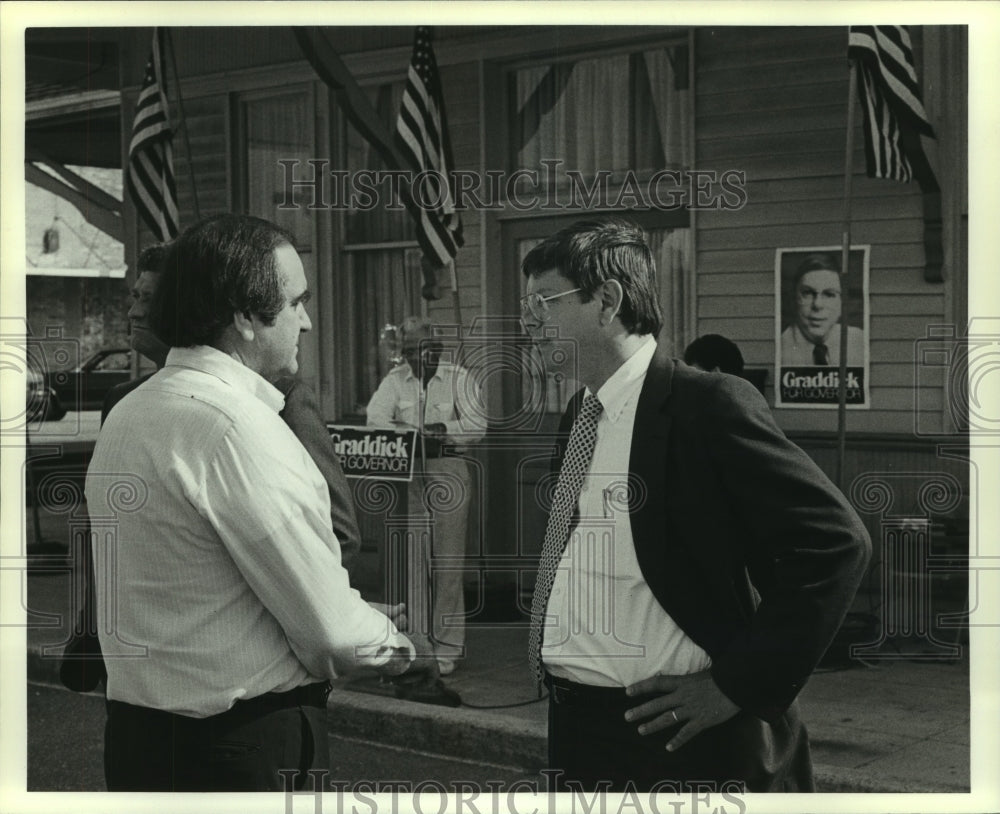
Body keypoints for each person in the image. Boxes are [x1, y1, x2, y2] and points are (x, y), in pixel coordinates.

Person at [84, 214, 435, 792]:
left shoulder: (131, 411)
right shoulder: (238, 427)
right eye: (295, 302)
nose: (307, 320)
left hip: (139, 740)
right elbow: (332, 635)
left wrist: (351, 618)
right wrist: (399, 647)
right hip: (237, 749)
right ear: (245, 316)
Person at [521, 218, 871, 792]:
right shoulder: (580, 414)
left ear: (607, 300)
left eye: (544, 302)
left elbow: (835, 543)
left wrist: (738, 686)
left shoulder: (705, 404)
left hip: (678, 737)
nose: (527, 322)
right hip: (579, 729)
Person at [366, 315, 485, 676]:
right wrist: (408, 435)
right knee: (414, 564)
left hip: (448, 470)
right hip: (411, 475)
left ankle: (447, 649)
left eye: (421, 350)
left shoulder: (459, 378)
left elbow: (478, 424)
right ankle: (419, 645)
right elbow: (376, 420)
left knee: (447, 564)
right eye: (408, 352)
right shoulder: (395, 380)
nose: (414, 359)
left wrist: (440, 430)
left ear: (436, 348)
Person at [780, 253, 865, 366]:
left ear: (842, 302)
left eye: (829, 294)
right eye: (807, 293)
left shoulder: (860, 341)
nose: (817, 305)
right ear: (794, 298)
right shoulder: (779, 348)